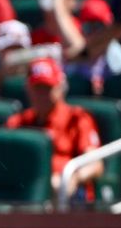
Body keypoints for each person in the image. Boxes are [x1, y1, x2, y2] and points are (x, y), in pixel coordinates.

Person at [6, 57, 103, 200]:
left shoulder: (76, 118)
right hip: (26, 191)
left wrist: (71, 179)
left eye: (47, 88)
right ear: (28, 90)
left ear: (60, 89)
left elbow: (95, 165)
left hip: (67, 194)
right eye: (37, 88)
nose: (41, 95)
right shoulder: (18, 122)